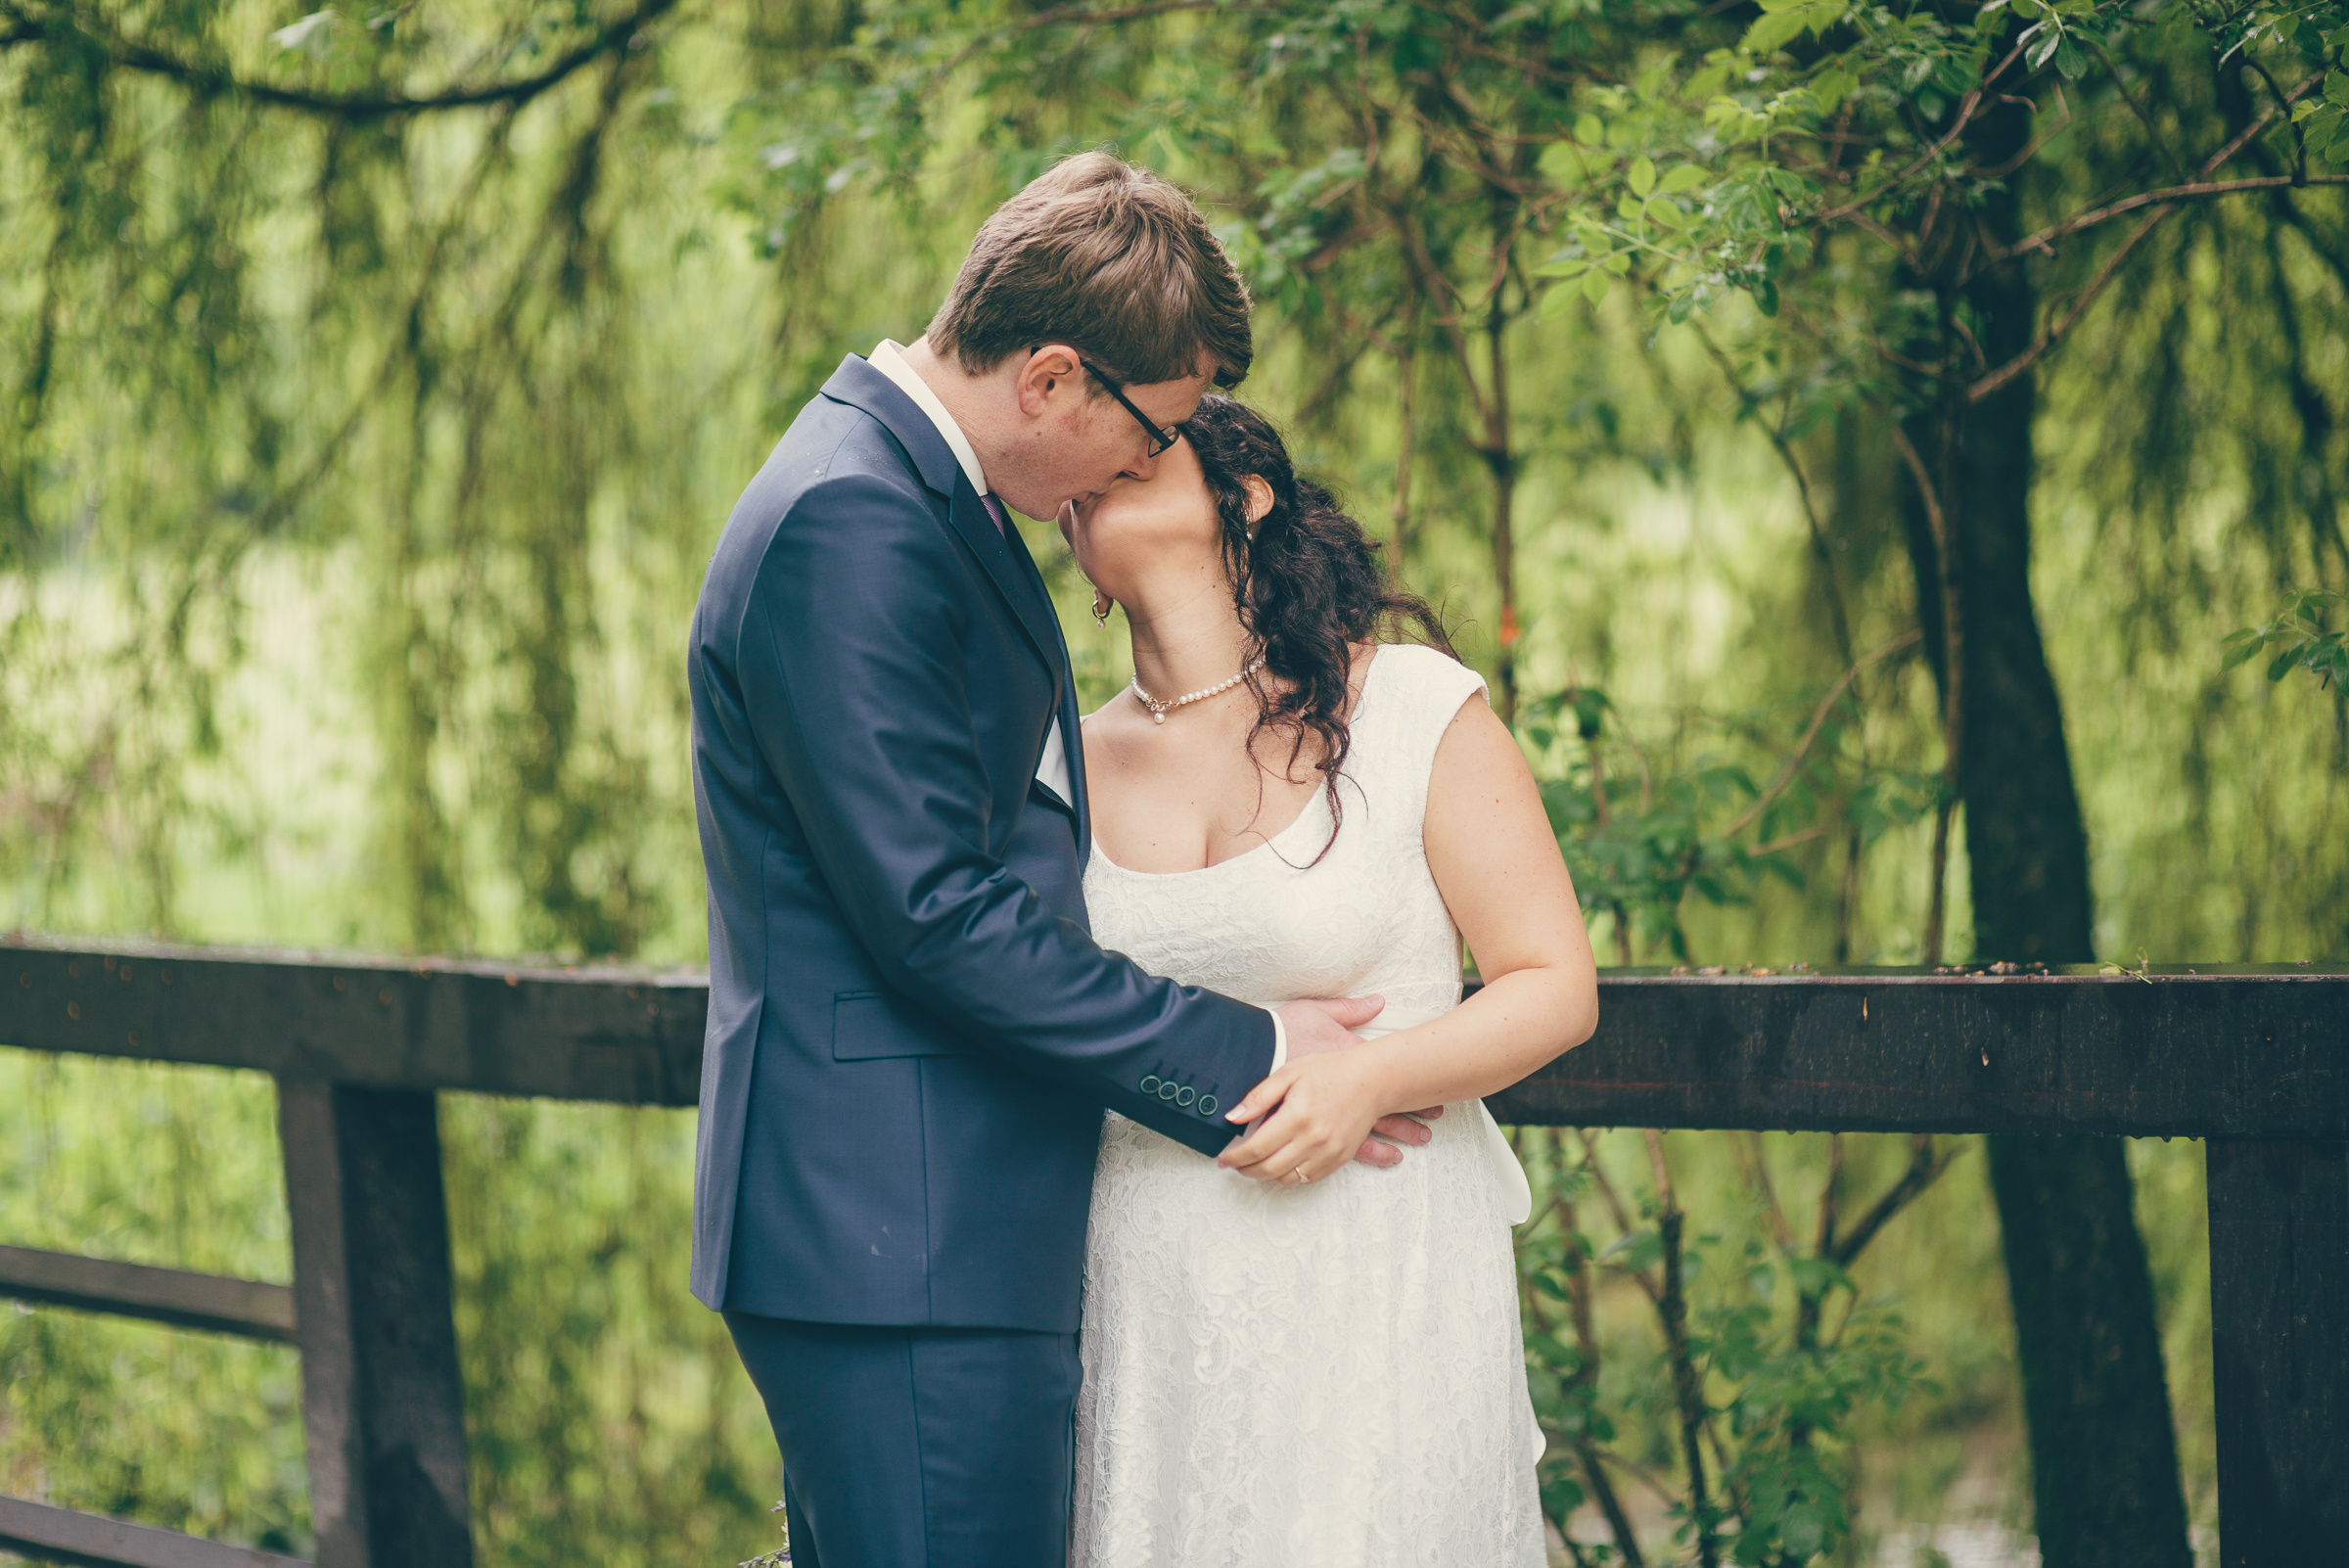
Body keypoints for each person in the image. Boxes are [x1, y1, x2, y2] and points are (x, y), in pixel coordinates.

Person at [686, 153, 1439, 1568]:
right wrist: (1250, 1052)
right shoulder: (857, 519)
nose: (1147, 467)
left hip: (928, 1231)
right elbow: (939, 920)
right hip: (898, 1239)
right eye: (1152, 433)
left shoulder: (908, 496)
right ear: (1050, 381)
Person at [1063, 395, 1599, 1565]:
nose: (1094, 466)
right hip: (1151, 1295)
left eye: (1139, 445)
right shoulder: (1062, 761)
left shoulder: (1409, 710)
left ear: (1242, 497)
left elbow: (1553, 981)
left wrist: (1371, 1079)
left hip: (1377, 1282)